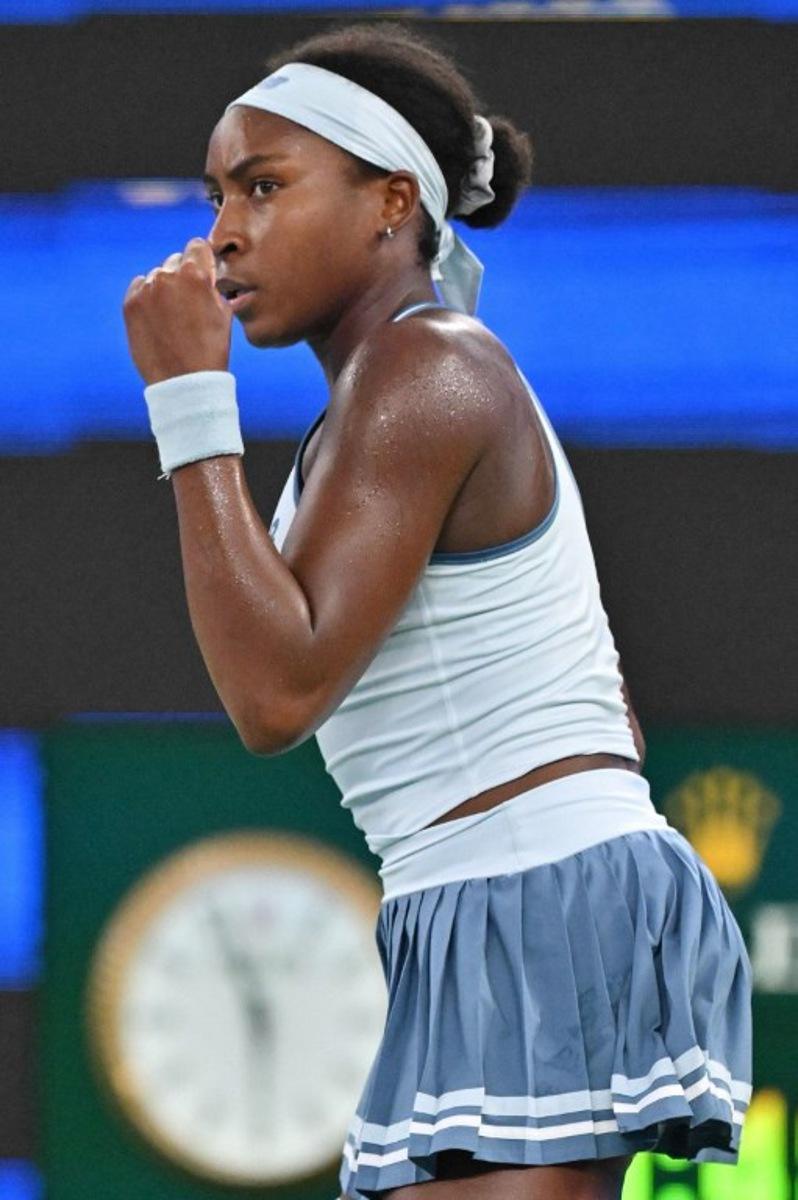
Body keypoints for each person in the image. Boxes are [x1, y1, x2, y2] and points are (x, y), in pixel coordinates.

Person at [122, 22, 752, 1200]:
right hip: (496, 900)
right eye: (217, 197)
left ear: (391, 204)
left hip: (540, 900)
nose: (224, 233)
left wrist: (191, 399)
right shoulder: (395, 390)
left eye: (266, 186)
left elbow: (274, 697)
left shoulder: (428, 370)